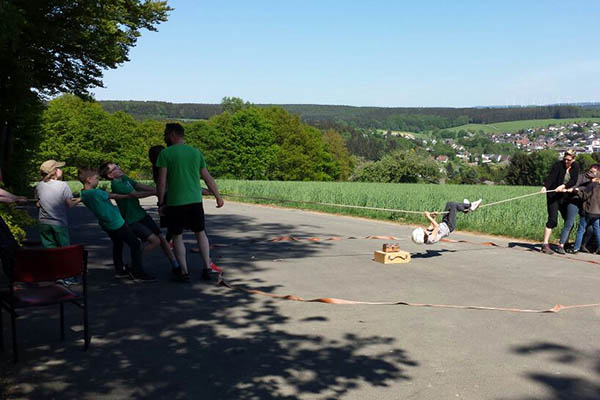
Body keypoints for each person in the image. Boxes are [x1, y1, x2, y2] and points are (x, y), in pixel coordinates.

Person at [156, 123, 224, 282]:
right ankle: (207, 267)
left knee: (177, 236)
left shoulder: (165, 154)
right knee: (200, 233)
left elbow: (162, 181)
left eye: (166, 134)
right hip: (195, 200)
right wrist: (218, 197)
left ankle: (184, 272)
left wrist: (160, 203)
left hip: (175, 202)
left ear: (172, 134)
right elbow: (207, 178)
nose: (165, 137)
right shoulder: (196, 153)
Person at [98, 161, 181, 274]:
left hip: (141, 214)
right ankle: (133, 263)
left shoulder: (124, 178)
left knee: (161, 238)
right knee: (154, 241)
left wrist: (157, 190)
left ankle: (175, 265)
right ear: (110, 175)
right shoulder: (116, 184)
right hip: (132, 220)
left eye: (117, 165)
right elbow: (135, 194)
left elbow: (138, 185)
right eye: (115, 168)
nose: (119, 168)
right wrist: (156, 192)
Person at [78, 168, 155, 281]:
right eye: (96, 178)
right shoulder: (96, 192)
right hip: (117, 222)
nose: (98, 181)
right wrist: (129, 196)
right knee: (135, 244)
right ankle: (137, 272)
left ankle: (120, 270)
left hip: (105, 224)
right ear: (89, 180)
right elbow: (114, 196)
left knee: (118, 244)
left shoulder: (83, 194)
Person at [540, 150, 580, 254]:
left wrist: (564, 186)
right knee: (553, 220)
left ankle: (564, 243)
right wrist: (545, 187)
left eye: (569, 160)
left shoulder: (575, 167)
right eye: (565, 159)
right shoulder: (558, 165)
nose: (566, 161)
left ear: (573, 159)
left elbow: (574, 180)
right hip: (553, 196)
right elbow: (551, 177)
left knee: (568, 221)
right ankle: (545, 244)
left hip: (564, 197)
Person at [34, 160, 80, 249]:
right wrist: (80, 199)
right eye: (58, 168)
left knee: (49, 250)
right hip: (59, 223)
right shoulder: (63, 185)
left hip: (43, 223)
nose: (60, 170)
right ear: (54, 171)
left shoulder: (39, 186)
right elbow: (69, 204)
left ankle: (51, 263)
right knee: (64, 249)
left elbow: (37, 204)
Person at [411, 199, 482, 245]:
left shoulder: (426, 234)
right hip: (449, 226)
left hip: (444, 223)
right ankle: (470, 206)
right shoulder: (431, 239)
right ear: (423, 236)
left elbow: (432, 226)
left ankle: (466, 209)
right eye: (423, 232)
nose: (424, 230)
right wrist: (428, 216)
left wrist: (434, 216)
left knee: (449, 204)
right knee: (454, 205)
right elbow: (436, 226)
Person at [567, 169, 600, 254]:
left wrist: (576, 191)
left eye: (591, 178)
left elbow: (584, 196)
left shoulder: (591, 186)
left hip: (588, 212)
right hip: (597, 213)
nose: (590, 179)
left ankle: (576, 248)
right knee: (597, 230)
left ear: (596, 178)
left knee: (581, 230)